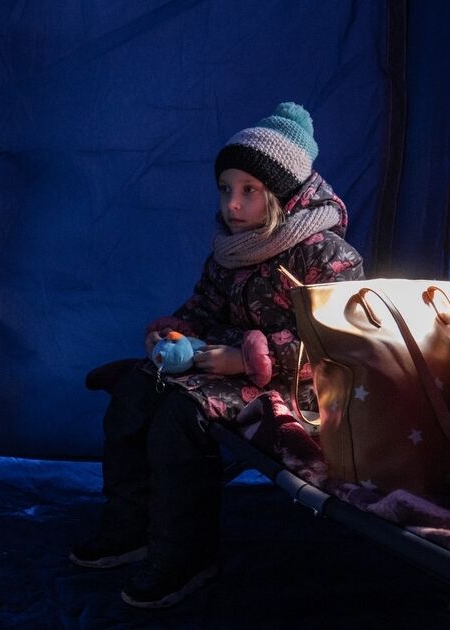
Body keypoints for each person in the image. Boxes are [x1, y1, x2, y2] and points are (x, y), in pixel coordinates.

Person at [71, 102, 364, 608]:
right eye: (226, 189)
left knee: (179, 419)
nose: (233, 203)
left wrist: (250, 359)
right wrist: (174, 333)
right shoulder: (231, 248)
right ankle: (130, 526)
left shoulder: (326, 254)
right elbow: (205, 307)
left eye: (250, 190)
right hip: (221, 367)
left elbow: (336, 345)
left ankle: (184, 555)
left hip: (295, 386)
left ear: (283, 194)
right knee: (134, 393)